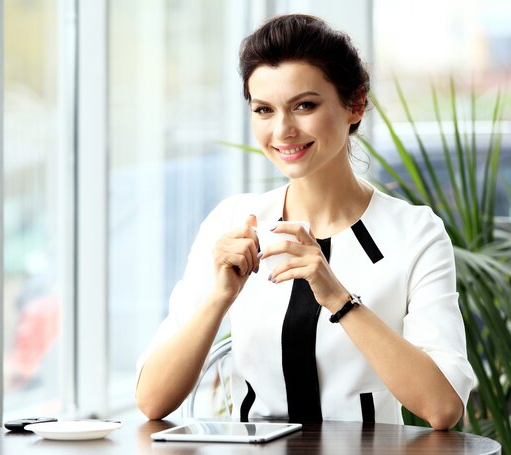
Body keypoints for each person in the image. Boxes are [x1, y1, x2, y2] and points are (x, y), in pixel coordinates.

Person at [135, 14, 474, 429]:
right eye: (264, 110)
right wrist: (219, 297)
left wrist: (339, 300)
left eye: (304, 105)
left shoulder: (415, 232)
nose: (282, 130)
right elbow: (152, 401)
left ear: (355, 104)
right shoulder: (232, 221)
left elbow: (444, 408)